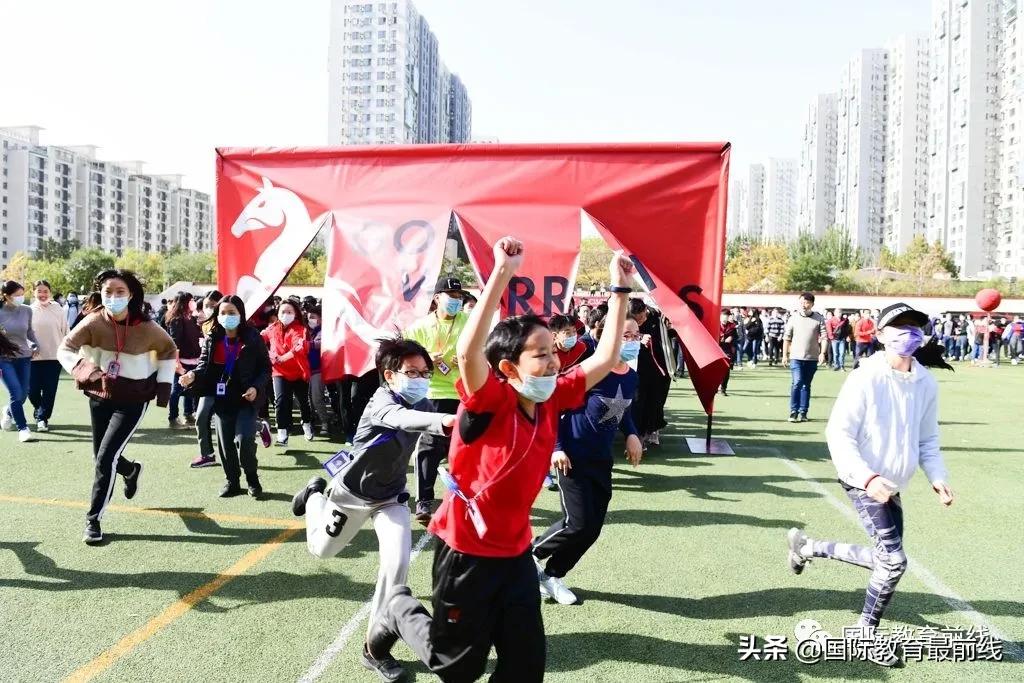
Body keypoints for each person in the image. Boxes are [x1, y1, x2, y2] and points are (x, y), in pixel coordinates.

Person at [366, 238, 634, 683]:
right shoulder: (490, 401)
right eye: (541, 355)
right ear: (509, 368)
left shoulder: (552, 398)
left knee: (526, 667)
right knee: (458, 668)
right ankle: (397, 607)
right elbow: (470, 353)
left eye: (554, 353)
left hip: (515, 555)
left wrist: (620, 290)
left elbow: (605, 357)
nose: (553, 363)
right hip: (465, 553)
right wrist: (501, 272)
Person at [786, 303, 954, 666]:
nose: (907, 333)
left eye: (914, 327)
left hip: (892, 483)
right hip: (861, 478)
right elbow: (839, 433)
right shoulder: (866, 376)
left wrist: (937, 477)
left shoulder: (925, 381)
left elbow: (927, 439)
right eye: (898, 326)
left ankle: (806, 546)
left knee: (882, 559)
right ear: (879, 335)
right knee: (894, 562)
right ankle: (864, 634)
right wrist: (867, 477)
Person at [291, 337, 456, 682]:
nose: (421, 378)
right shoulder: (381, 403)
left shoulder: (423, 400)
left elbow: (433, 431)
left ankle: (374, 648)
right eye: (412, 372)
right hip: (351, 494)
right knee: (320, 550)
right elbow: (406, 418)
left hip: (391, 498)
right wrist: (445, 420)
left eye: (425, 372)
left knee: (396, 568)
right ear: (389, 374)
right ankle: (314, 496)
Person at [57, 269, 177, 544]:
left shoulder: (148, 327)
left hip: (133, 399)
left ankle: (93, 520)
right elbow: (64, 348)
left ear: (131, 295)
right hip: (100, 395)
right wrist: (85, 370)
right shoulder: (92, 322)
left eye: (120, 292)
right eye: (108, 292)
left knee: (105, 458)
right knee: (101, 456)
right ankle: (131, 470)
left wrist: (163, 388)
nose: (113, 298)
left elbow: (169, 350)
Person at [532, 316, 644, 605]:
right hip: (571, 457)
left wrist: (632, 434)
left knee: (592, 528)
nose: (633, 341)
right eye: (625, 335)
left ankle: (553, 575)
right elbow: (552, 407)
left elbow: (624, 411)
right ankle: (528, 556)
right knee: (576, 523)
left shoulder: (631, 376)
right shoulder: (589, 372)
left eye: (636, 335)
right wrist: (556, 447)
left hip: (601, 459)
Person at [180, 296, 271, 497]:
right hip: (221, 399)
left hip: (246, 399)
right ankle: (232, 482)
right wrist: (192, 375)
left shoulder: (253, 337)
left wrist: (256, 387)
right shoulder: (213, 339)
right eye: (223, 313)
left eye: (232, 313)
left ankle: (252, 479)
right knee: (225, 444)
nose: (227, 317)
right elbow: (204, 365)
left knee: (245, 440)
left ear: (241, 315)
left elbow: (265, 368)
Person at [405, 276, 469, 524]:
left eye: (459, 298)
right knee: (429, 448)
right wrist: (428, 357)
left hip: (463, 393)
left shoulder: (469, 322)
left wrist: (466, 357)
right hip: (431, 393)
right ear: (437, 298)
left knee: (462, 450)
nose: (456, 302)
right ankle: (424, 501)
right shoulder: (420, 327)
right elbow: (407, 359)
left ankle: (462, 500)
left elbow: (482, 348)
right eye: (451, 297)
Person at [262, 299, 313, 446]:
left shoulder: (300, 329)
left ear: (295, 313)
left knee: (303, 402)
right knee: (281, 401)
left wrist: (283, 358)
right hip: (279, 372)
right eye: (283, 312)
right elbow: (260, 338)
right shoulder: (272, 328)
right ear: (278, 313)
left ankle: (306, 423)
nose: (286, 314)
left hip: (298, 371)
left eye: (289, 312)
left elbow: (299, 347)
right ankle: (282, 433)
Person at [0, 281, 40, 442]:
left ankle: (8, 412)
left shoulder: (27, 310)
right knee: (16, 393)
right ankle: (23, 429)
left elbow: (29, 331)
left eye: (22, 294)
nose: (20, 298)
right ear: (6, 296)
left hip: (24, 357)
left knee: (23, 395)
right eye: (16, 295)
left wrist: (36, 344)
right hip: (3, 359)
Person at [629, 298, 670, 448]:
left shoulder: (657, 319)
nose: (638, 322)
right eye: (635, 319)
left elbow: (666, 338)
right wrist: (638, 338)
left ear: (645, 310)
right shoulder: (626, 320)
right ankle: (637, 437)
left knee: (655, 404)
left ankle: (650, 431)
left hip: (657, 370)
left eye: (640, 318)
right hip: (636, 370)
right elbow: (621, 336)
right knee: (638, 404)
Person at [29, 280, 68, 432]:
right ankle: (40, 410)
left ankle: (42, 419)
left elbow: (66, 331)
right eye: (39, 291)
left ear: (50, 292)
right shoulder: (28, 310)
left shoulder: (58, 309)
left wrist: (67, 351)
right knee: (32, 391)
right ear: (34, 292)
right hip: (33, 357)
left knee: (49, 390)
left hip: (54, 357)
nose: (42, 294)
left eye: (45, 291)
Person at [782, 292, 826, 423]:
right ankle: (793, 411)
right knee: (797, 383)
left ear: (812, 304)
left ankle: (803, 412)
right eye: (802, 302)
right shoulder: (793, 318)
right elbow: (787, 338)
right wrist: (785, 355)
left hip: (812, 358)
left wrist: (822, 353)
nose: (804, 305)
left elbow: (824, 337)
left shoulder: (819, 318)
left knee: (806, 385)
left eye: (807, 303)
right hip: (796, 357)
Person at [164, 292, 203, 430]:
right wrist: (177, 363)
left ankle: (188, 414)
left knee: (190, 389)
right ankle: (173, 418)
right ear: (184, 302)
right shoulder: (176, 320)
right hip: (181, 361)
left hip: (194, 360)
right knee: (176, 390)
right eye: (191, 300)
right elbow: (175, 343)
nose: (193, 302)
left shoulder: (191, 318)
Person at [305, 305, 332, 435]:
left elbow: (319, 344)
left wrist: (305, 344)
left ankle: (325, 422)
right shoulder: (306, 331)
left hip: (318, 370)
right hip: (306, 370)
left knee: (317, 398)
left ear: (320, 319)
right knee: (308, 398)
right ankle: (312, 422)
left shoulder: (323, 332)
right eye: (309, 317)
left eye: (313, 317)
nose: (310, 320)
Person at [717, 310, 738, 396]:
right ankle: (714, 388)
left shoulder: (732, 327)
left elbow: (736, 338)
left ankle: (723, 389)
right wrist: (719, 339)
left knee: (726, 370)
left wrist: (732, 337)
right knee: (716, 370)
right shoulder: (715, 325)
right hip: (716, 349)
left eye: (727, 315)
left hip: (727, 350)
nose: (725, 317)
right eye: (723, 315)